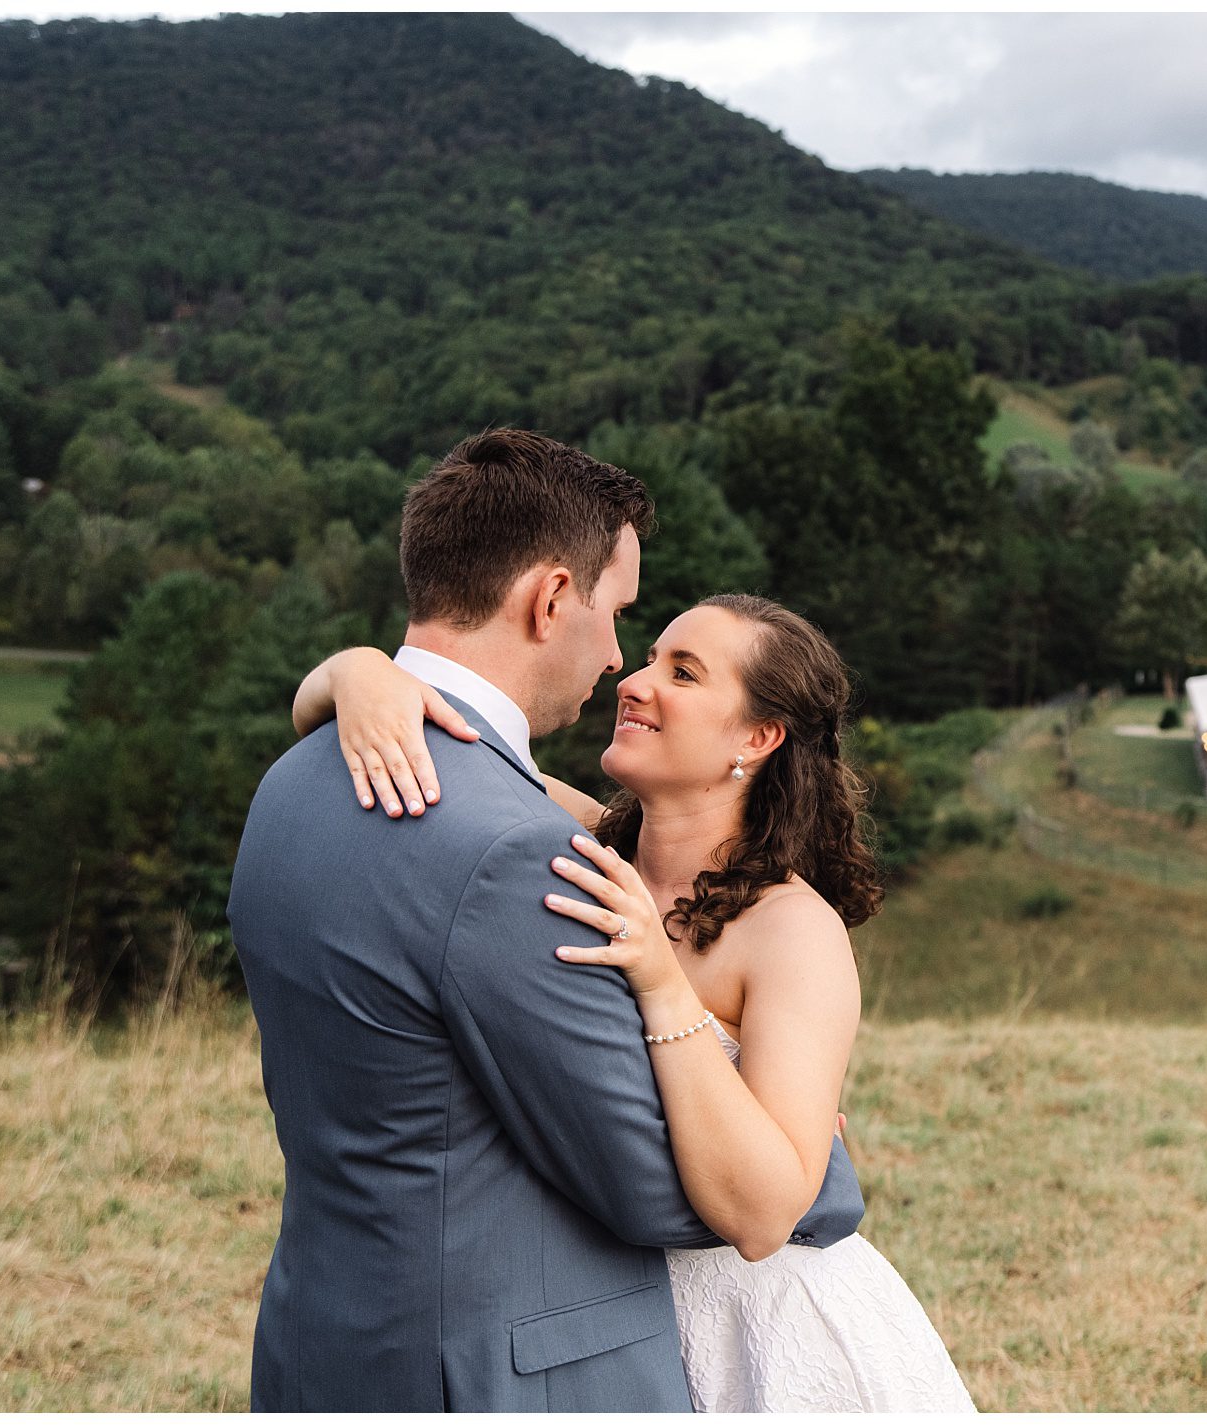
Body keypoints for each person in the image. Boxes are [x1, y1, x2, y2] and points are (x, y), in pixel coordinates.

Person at [227, 429, 867, 1412]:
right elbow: (650, 1183)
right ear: (550, 598)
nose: (620, 664)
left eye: (677, 667)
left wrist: (348, 670)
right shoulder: (521, 847)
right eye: (619, 620)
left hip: (328, 1333)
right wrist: (817, 1166)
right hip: (480, 1366)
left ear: (760, 737)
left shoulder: (296, 779)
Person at [302, 594, 974, 1412]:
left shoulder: (793, 929)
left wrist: (660, 981)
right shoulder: (577, 839)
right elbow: (408, 737)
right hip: (621, 1320)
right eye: (651, 657)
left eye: (683, 673)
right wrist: (358, 671)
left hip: (763, 1334)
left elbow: (763, 1217)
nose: (637, 680)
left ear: (757, 739)